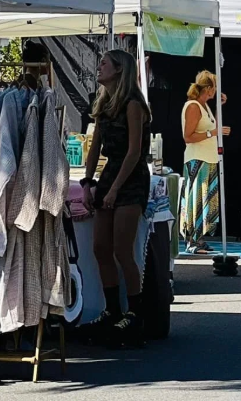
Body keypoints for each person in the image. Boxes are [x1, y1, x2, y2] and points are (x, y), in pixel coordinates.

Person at [81, 50, 152, 347]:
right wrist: (88, 183)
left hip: (131, 177)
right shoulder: (103, 105)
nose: (99, 68)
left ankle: (135, 314)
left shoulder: (133, 105)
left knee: (123, 249)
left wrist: (113, 189)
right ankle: (112, 309)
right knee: (100, 247)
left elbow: (135, 152)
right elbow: (94, 146)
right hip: (111, 173)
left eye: (104, 64)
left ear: (119, 70)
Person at [180, 71, 230, 254]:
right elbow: (188, 136)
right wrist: (213, 133)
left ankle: (199, 239)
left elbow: (212, 126)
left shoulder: (204, 106)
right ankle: (192, 240)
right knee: (197, 200)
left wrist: (219, 107)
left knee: (206, 200)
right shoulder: (193, 106)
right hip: (197, 159)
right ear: (208, 89)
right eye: (214, 87)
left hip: (208, 158)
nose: (216, 91)